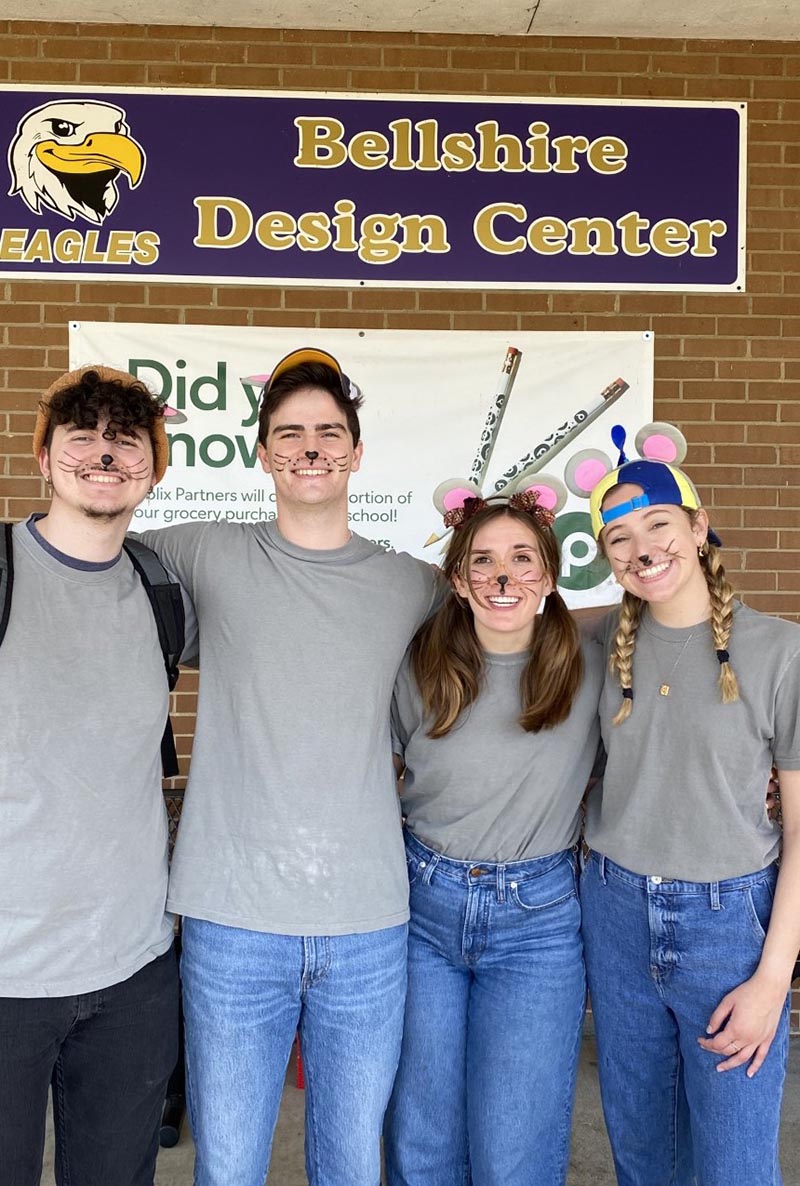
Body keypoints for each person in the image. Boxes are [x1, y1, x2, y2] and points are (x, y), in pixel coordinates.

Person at [136, 347, 439, 1186]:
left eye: (329, 432)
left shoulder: (412, 586)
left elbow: (527, 625)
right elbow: (79, 555)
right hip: (232, 921)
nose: (311, 447)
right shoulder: (202, 553)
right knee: (228, 1168)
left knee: (349, 1168)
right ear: (262, 453)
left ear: (357, 452)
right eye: (290, 433)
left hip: (368, 922)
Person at [581, 454, 800, 1186]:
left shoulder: (780, 652)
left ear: (699, 526)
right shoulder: (596, 645)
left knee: (735, 1166)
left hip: (727, 926)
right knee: (644, 1159)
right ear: (607, 557)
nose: (643, 548)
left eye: (660, 524)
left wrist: (772, 983)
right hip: (613, 913)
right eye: (619, 538)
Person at [0, 366, 189, 1186]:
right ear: (44, 456)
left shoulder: (160, 592)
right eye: (82, 435)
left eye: (126, 438)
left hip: (132, 974)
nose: (104, 453)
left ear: (155, 464)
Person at [383, 494, 604, 1186]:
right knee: (423, 1133)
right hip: (424, 907)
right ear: (455, 580)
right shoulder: (418, 666)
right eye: (481, 561)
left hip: (536, 921)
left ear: (547, 575)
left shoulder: (591, 666)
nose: (501, 577)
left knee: (518, 1139)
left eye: (520, 559)